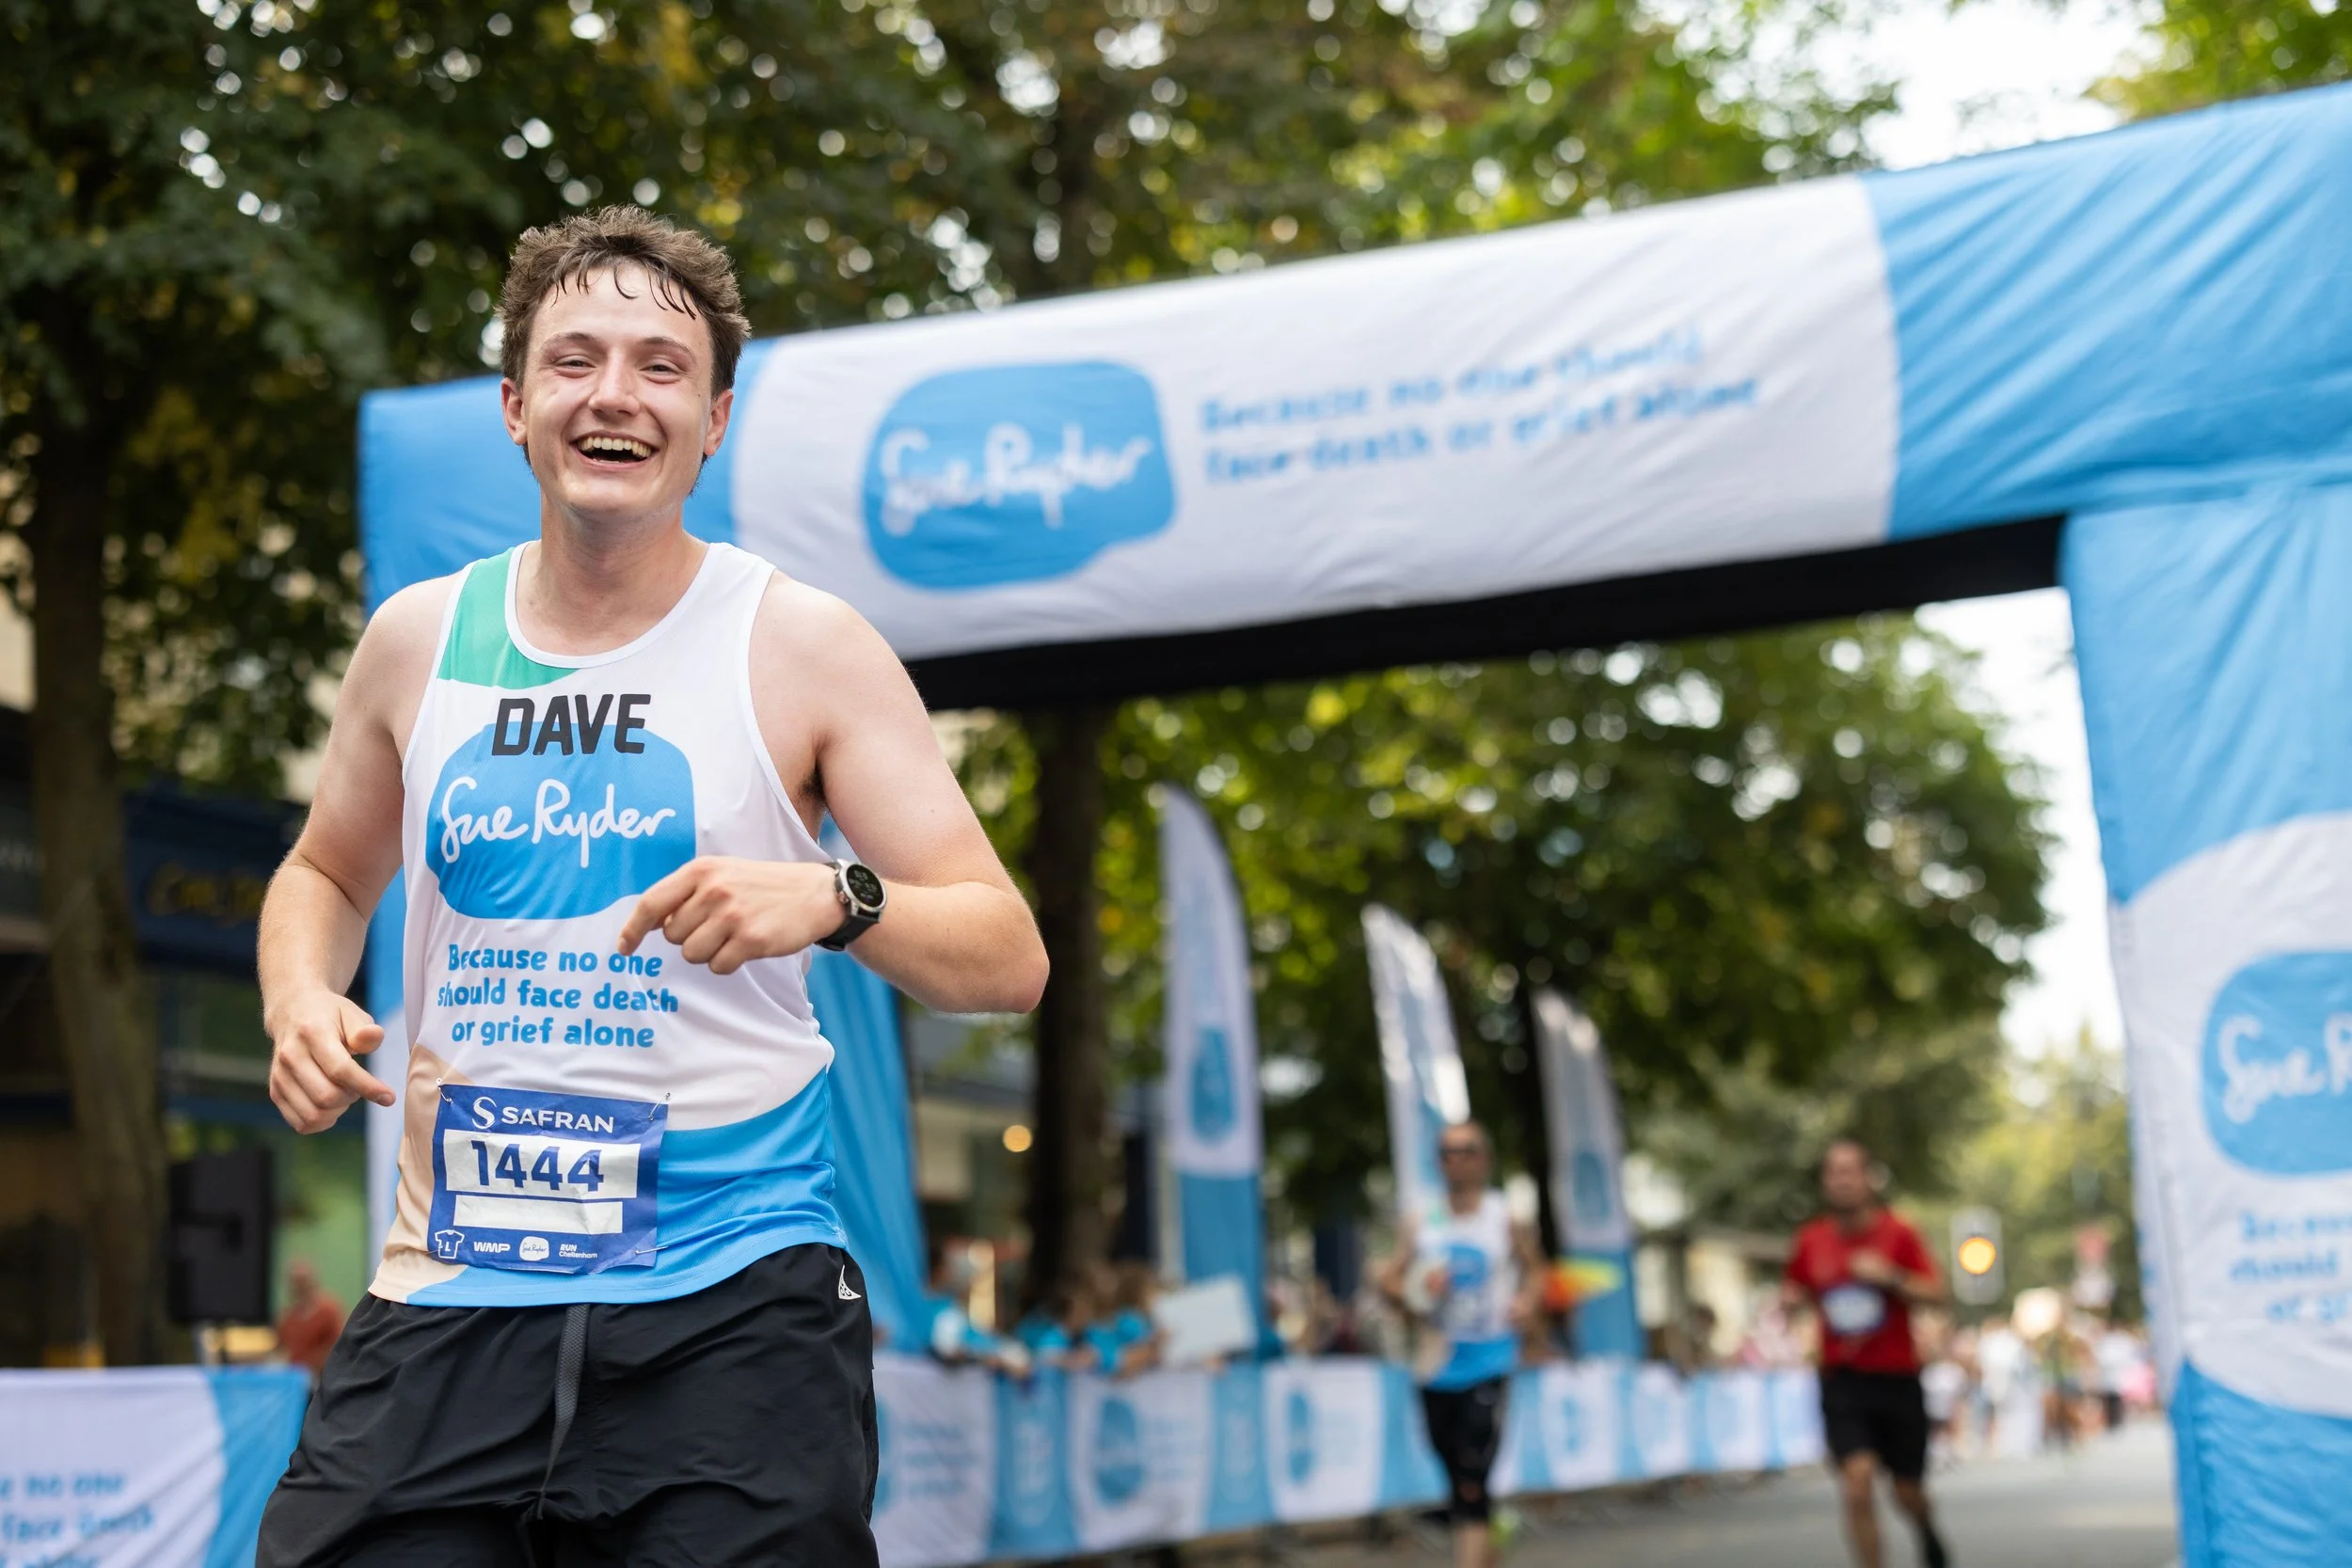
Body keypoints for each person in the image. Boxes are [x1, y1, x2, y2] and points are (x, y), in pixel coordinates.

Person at [251, 206, 1048, 1566]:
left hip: (728, 1302)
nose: (613, 394)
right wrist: (296, 995)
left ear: (714, 420)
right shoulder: (419, 639)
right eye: (573, 362)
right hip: (453, 1285)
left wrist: (836, 899)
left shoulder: (803, 642)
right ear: (515, 408)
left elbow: (1008, 956)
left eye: (659, 367)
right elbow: (326, 867)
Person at [1375, 1121, 1544, 1568]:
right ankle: (1490, 1537)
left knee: (1472, 1472)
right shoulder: (1422, 1219)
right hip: (1436, 1361)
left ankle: (1472, 1548)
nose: (1457, 1159)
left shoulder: (1504, 1216)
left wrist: (1527, 1301)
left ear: (1485, 1159)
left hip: (1489, 1356)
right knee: (1455, 1475)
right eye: (1448, 1151)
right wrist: (1415, 1287)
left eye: (1467, 1150)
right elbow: (1390, 1280)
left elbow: (1537, 1271)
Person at [1782, 1139, 1952, 1568]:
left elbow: (1937, 1294)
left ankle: (1925, 1528)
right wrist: (1789, 1301)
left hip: (1897, 1377)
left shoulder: (1899, 1233)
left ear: (1868, 1179)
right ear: (1824, 1182)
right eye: (1833, 1172)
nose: (1842, 1181)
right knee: (1856, 1484)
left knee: (1906, 1492)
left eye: (1850, 1171)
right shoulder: (1811, 1240)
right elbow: (1796, 1290)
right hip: (1842, 1380)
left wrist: (1891, 1276)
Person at [275, 1259, 345, 1382]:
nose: (299, 1288)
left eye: (303, 1282)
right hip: (295, 1382)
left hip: (324, 1380)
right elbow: (280, 1350)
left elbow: (339, 1348)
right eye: (295, 1283)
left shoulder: (329, 1311)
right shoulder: (286, 1317)